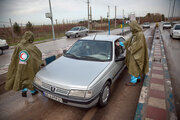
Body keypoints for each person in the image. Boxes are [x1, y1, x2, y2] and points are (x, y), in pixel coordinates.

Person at [5, 31, 44, 97]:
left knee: (22, 78)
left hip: (20, 65)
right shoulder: (32, 47)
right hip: (29, 66)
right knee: (30, 77)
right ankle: (33, 91)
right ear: (31, 38)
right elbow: (38, 55)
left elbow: (14, 57)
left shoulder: (18, 46)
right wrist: (41, 63)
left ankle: (24, 91)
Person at [116, 21, 149, 86]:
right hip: (134, 53)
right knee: (136, 66)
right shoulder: (135, 34)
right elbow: (128, 41)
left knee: (133, 67)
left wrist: (131, 48)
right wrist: (120, 43)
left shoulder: (140, 34)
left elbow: (139, 44)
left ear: (134, 26)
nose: (130, 28)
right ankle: (137, 78)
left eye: (131, 27)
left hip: (137, 54)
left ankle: (133, 82)